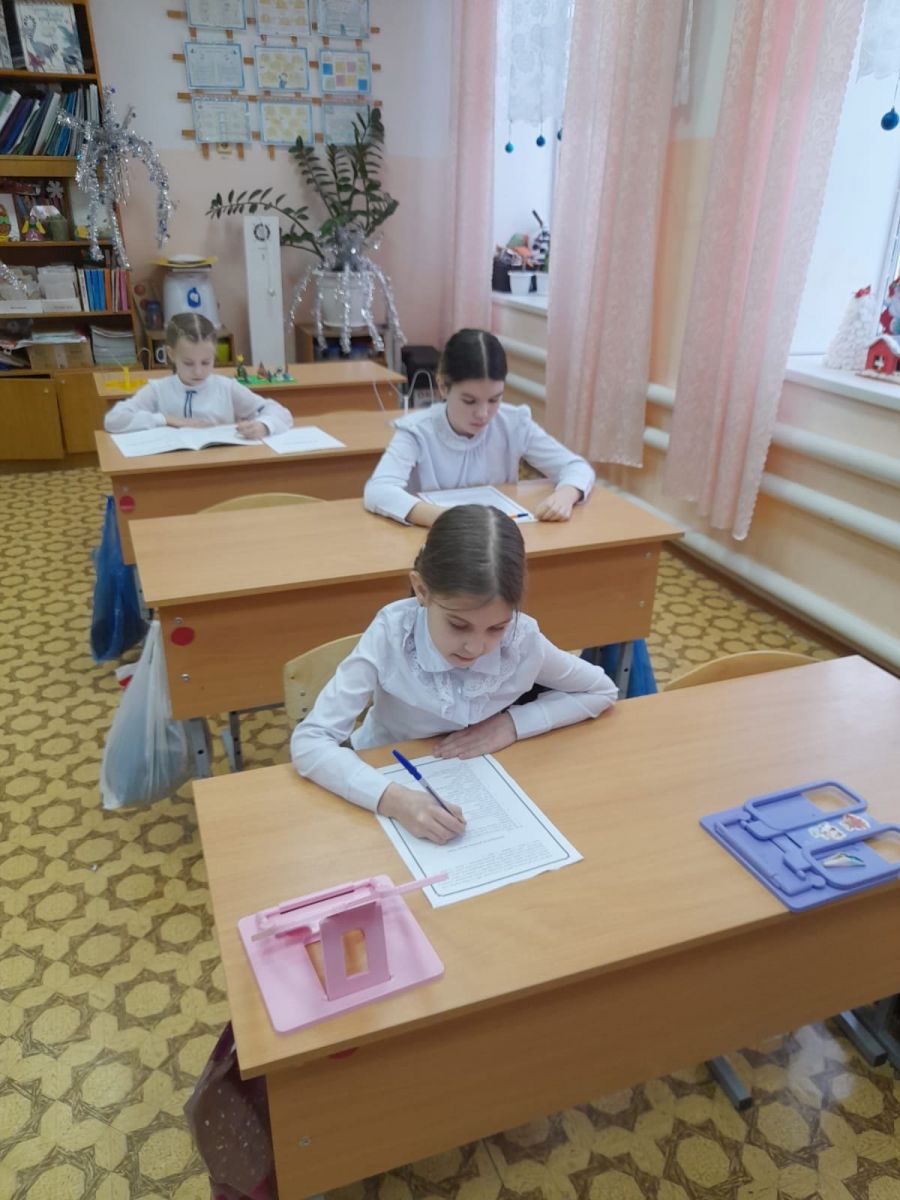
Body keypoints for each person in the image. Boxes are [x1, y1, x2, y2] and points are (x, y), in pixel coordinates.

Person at [291, 505, 617, 843]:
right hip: (383, 772)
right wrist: (394, 800)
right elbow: (310, 741)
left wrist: (511, 725)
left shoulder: (522, 639)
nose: (476, 647)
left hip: (482, 774)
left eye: (496, 627)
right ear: (421, 591)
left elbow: (601, 690)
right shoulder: (391, 634)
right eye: (458, 625)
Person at [363, 328, 595, 526]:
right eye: (469, 401)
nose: (483, 414)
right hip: (438, 539)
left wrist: (567, 494)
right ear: (442, 386)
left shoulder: (513, 423)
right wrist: (448, 519)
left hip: (496, 537)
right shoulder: (417, 431)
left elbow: (576, 466)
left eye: (494, 399)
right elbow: (378, 490)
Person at [104, 313, 292, 437]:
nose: (198, 371)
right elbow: (113, 420)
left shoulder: (227, 388)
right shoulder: (158, 390)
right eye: (188, 363)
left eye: (206, 362)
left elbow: (280, 412)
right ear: (171, 354)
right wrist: (165, 419)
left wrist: (264, 425)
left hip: (220, 466)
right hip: (171, 468)